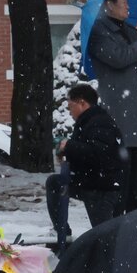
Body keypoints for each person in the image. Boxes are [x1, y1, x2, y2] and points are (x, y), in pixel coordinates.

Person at [87, 0, 137, 212]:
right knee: (123, 178)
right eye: (123, 1)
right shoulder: (99, 32)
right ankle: (121, 223)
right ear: (109, 4)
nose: (128, 6)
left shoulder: (128, 29)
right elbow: (120, 58)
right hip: (120, 114)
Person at [52, 82, 124, 241]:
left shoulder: (100, 121)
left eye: (71, 106)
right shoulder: (87, 122)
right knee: (55, 183)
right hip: (90, 180)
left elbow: (97, 154)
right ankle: (62, 232)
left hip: (102, 186)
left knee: (105, 234)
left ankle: (110, 255)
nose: (69, 111)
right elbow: (85, 153)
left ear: (82, 103)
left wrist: (69, 146)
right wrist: (66, 153)